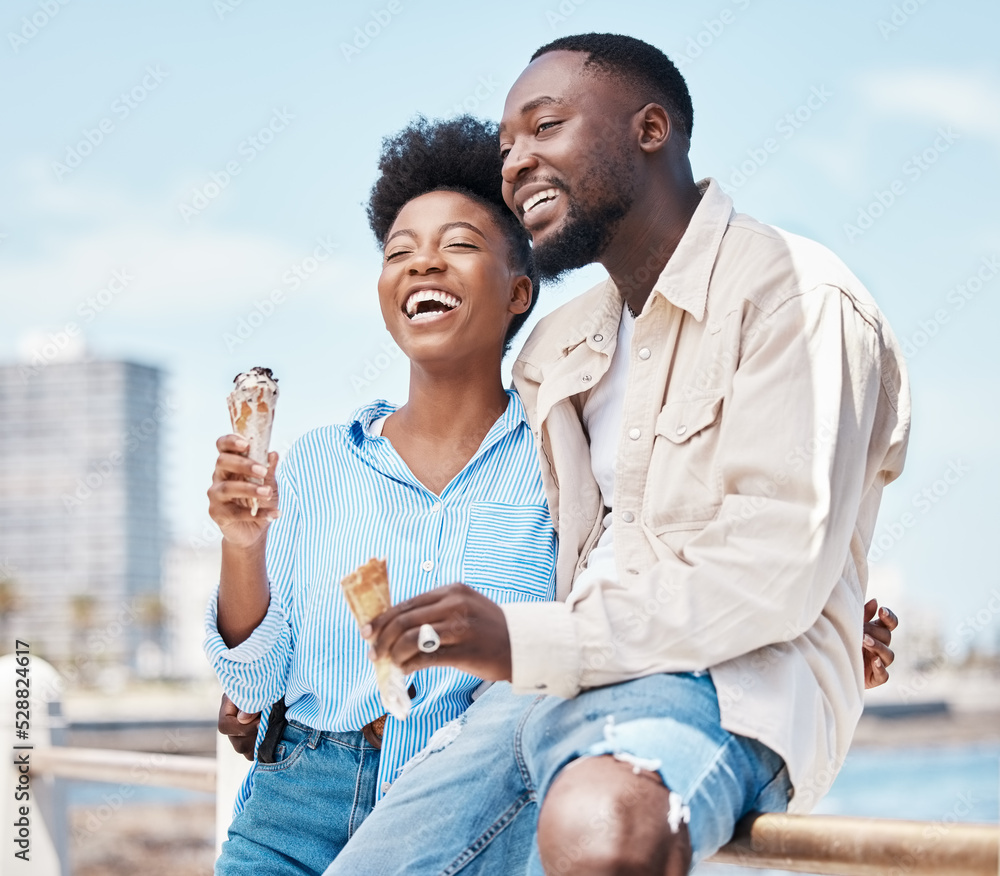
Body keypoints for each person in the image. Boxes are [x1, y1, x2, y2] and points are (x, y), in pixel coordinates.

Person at [322, 33, 910, 876]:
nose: (516, 163)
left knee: (604, 825)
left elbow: (773, 572)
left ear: (650, 128)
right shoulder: (555, 348)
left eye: (545, 126)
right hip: (542, 692)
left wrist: (523, 638)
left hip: (720, 689)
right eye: (506, 149)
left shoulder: (797, 295)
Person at [204, 116, 557, 874]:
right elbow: (254, 683)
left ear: (518, 291)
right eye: (400, 251)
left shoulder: (558, 465)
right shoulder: (318, 463)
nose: (423, 263)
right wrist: (243, 545)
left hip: (471, 813)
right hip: (294, 809)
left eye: (458, 245)